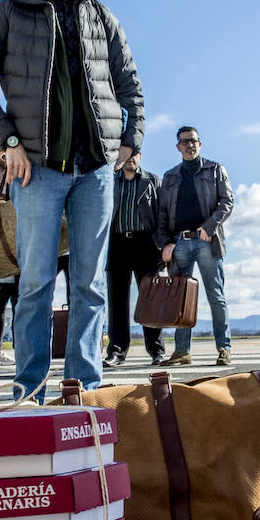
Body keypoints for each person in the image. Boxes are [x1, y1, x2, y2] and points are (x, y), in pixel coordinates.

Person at [0, 0, 145, 401]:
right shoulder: (9, 12)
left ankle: (83, 389)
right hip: (37, 171)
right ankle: (31, 388)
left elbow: (130, 86)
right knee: (36, 284)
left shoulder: (100, 14)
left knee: (90, 285)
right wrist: (8, 142)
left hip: (96, 171)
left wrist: (131, 140)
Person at [155, 126, 234, 366]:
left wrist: (208, 227)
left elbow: (227, 201)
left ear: (200, 144)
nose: (190, 145)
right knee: (180, 299)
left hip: (206, 241)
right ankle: (182, 351)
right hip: (179, 242)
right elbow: (162, 213)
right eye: (185, 142)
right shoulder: (170, 176)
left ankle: (224, 349)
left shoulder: (215, 169)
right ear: (178, 147)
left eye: (193, 141)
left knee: (215, 296)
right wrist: (165, 243)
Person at [104, 150, 165, 367]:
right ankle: (117, 351)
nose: (130, 157)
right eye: (126, 153)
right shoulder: (110, 180)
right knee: (117, 300)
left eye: (135, 153)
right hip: (117, 242)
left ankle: (156, 350)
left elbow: (162, 215)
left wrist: (163, 245)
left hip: (146, 244)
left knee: (150, 299)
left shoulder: (153, 181)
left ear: (140, 156)